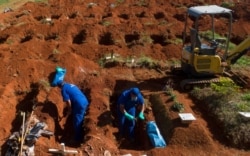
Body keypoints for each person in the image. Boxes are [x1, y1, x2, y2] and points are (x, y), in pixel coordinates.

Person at [51, 67, 89, 144]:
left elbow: (68, 101)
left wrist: (69, 110)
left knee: (77, 121)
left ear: (59, 86)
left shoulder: (63, 90)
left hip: (79, 104)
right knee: (79, 117)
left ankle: (77, 139)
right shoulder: (70, 85)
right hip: (85, 101)